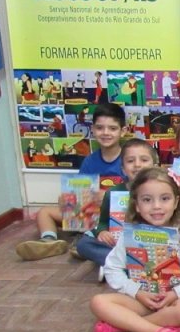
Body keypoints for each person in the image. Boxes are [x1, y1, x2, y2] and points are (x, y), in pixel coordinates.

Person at [90, 168, 180, 332]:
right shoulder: (129, 234)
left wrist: (176, 293)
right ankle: (158, 331)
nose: (156, 206)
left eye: (164, 198)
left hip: (175, 301)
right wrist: (137, 293)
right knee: (98, 302)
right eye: (147, 200)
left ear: (176, 202)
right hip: (141, 299)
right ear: (137, 205)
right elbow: (112, 268)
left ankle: (123, 326)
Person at [16, 103, 125, 261]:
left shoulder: (128, 159)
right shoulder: (89, 161)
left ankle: (85, 239)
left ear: (123, 131)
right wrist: (70, 200)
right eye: (100, 128)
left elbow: (136, 191)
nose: (105, 133)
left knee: (100, 222)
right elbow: (82, 191)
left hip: (116, 214)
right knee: (44, 212)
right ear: (93, 130)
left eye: (112, 128)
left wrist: (108, 195)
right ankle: (49, 240)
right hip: (90, 212)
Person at [75, 139, 159, 271]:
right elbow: (102, 221)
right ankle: (124, 264)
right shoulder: (113, 192)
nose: (137, 165)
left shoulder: (161, 191)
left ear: (154, 166)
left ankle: (113, 265)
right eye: (130, 161)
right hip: (117, 244)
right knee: (84, 244)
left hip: (149, 244)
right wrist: (102, 232)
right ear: (123, 169)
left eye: (144, 160)